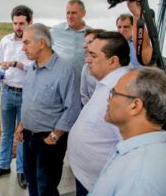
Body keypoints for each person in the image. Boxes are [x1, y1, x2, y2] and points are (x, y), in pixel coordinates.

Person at [15, 23, 81, 196]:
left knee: (46, 187)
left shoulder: (65, 70)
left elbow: (72, 108)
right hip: (28, 137)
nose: (23, 48)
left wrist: (54, 136)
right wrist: (22, 124)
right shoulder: (32, 68)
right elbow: (30, 100)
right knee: (31, 182)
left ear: (42, 43)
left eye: (27, 43)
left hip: (48, 140)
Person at [67, 31, 131, 196]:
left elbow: (129, 150)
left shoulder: (123, 93)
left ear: (113, 61)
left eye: (93, 55)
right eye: (87, 53)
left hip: (99, 185)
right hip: (87, 178)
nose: (87, 59)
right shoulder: (107, 81)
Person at [89, 67, 166, 196]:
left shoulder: (139, 178)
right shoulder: (136, 149)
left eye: (113, 93)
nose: (108, 99)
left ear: (135, 106)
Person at [0, 5, 33, 189]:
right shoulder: (5, 40)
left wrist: (16, 63)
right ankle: (4, 165)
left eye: (22, 23)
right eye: (15, 23)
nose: (18, 27)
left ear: (30, 22)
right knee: (6, 132)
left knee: (22, 134)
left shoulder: (34, 42)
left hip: (25, 93)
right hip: (6, 91)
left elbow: (35, 67)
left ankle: (22, 171)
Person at [50, 0, 90, 81]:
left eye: (74, 13)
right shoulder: (55, 30)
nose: (70, 16)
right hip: (59, 83)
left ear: (83, 13)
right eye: (68, 13)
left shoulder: (91, 34)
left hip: (82, 84)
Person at [80, 29, 105, 105]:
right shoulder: (86, 68)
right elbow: (84, 95)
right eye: (85, 42)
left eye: (90, 42)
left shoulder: (113, 66)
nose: (85, 46)